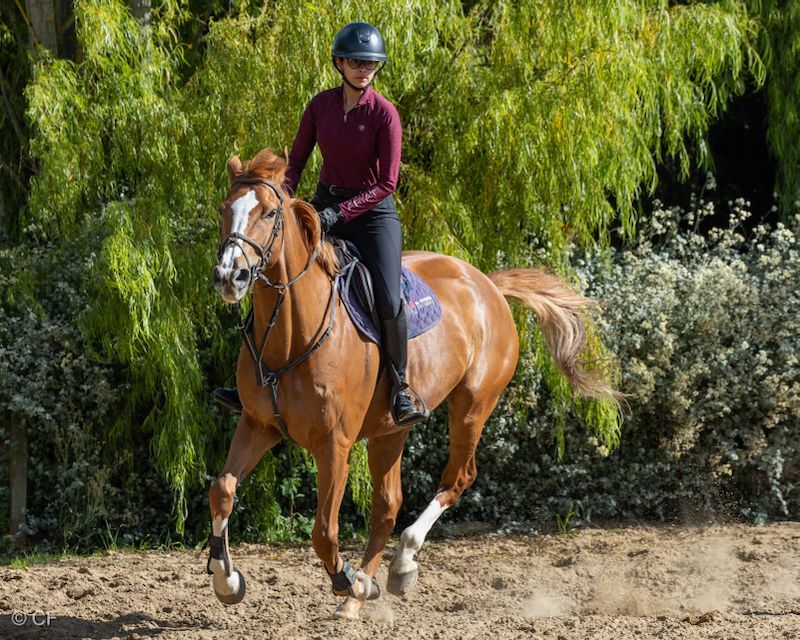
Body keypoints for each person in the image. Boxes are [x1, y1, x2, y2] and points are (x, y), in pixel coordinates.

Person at [214, 22, 427, 427]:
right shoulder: (320, 106)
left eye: (370, 64)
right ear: (339, 63)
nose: (363, 69)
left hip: (373, 217)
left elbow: (388, 183)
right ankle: (246, 380)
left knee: (386, 295)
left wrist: (339, 214)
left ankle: (399, 386)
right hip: (324, 205)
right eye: (355, 62)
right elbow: (295, 164)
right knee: (268, 273)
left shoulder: (385, 114)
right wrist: (283, 199)